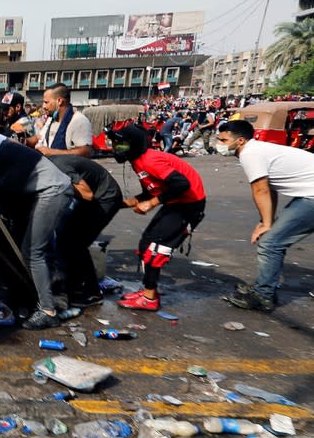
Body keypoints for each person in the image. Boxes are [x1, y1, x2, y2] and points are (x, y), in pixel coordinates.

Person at [0, 115, 74, 329]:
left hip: (51, 191)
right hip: (46, 190)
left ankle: (48, 310)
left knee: (34, 251)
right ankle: (45, 295)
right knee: (30, 249)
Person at [217, 120, 314, 312]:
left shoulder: (250, 154)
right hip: (308, 194)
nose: (219, 144)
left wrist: (267, 224)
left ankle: (263, 296)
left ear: (241, 140)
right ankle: (265, 288)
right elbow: (270, 189)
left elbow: (260, 190)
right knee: (273, 241)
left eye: (223, 140)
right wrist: (265, 221)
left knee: (271, 243)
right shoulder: (258, 149)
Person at [108, 123, 206, 311]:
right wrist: (126, 203)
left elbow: (180, 184)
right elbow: (152, 190)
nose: (115, 148)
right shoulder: (138, 161)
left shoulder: (149, 160)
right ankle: (147, 290)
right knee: (146, 244)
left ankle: (150, 298)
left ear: (133, 144)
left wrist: (152, 203)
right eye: (114, 143)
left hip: (188, 205)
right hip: (175, 203)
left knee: (154, 249)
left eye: (120, 144)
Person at [49, 155, 123, 308]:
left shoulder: (58, 167)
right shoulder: (50, 164)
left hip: (104, 198)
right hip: (94, 197)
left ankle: (92, 292)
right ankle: (74, 285)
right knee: (65, 237)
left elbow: (86, 193)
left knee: (76, 243)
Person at [27, 84, 93, 157]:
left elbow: (86, 151)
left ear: (59, 101)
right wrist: (22, 141)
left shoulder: (79, 121)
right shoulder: (51, 119)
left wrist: (53, 152)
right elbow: (38, 137)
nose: (43, 106)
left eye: (46, 102)